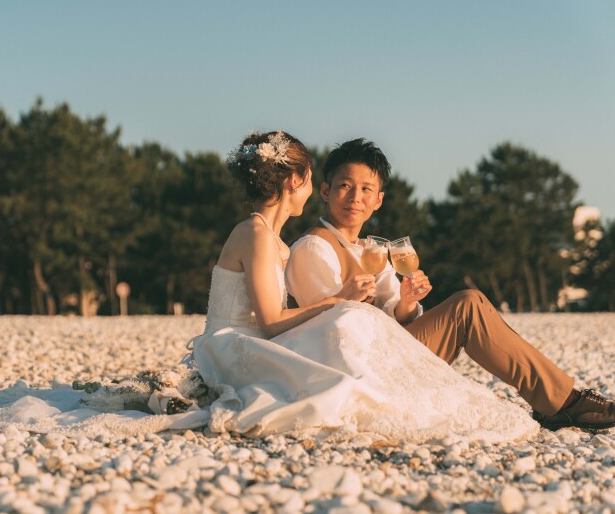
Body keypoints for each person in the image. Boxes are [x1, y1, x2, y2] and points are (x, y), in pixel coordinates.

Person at [183, 131, 538, 441]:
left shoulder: (273, 240)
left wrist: (403, 301)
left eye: (367, 189)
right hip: (236, 348)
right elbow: (272, 321)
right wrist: (340, 300)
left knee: (357, 322)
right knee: (352, 324)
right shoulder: (259, 235)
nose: (313, 191)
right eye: (312, 180)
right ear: (295, 182)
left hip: (260, 342)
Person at [285, 138, 615, 431]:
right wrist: (357, 300)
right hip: (362, 370)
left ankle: (558, 398)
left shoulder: (371, 249)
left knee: (473, 302)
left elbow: (395, 313)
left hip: (387, 354)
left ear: (379, 200)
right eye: (345, 186)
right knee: (467, 305)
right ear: (325, 191)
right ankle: (561, 402)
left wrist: (406, 301)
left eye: (366, 189)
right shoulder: (315, 247)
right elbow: (331, 333)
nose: (356, 197)